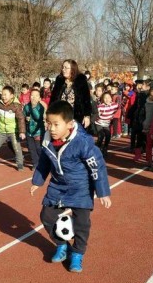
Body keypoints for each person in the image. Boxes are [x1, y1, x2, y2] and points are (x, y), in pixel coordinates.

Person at [30, 100, 111, 273]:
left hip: (80, 187)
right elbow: (44, 162)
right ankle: (62, 244)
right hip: (57, 186)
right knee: (46, 216)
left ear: (69, 124)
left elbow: (97, 166)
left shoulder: (82, 142)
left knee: (82, 223)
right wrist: (37, 182)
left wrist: (102, 191)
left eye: (55, 124)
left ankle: (77, 253)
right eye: (48, 123)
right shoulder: (47, 140)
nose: (51, 128)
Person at [0, 85, 26, 171]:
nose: (3, 96)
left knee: (16, 147)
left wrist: (22, 132)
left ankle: (20, 163)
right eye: (2, 94)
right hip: (2, 130)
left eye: (5, 94)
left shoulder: (16, 106)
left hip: (13, 130)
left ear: (11, 95)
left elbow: (21, 118)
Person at [49, 59, 92, 129]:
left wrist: (87, 116)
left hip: (76, 118)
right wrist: (50, 114)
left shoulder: (81, 80)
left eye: (66, 68)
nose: (63, 69)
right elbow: (53, 99)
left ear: (73, 69)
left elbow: (86, 99)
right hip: (60, 117)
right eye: (63, 67)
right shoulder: (59, 80)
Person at [23, 89, 45, 170]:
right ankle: (35, 163)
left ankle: (43, 162)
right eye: (32, 95)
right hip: (29, 132)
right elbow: (23, 116)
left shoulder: (40, 107)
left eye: (36, 95)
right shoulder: (26, 106)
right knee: (31, 149)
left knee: (39, 148)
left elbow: (38, 117)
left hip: (38, 131)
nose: (34, 97)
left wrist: (33, 107)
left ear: (39, 98)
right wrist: (26, 118)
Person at [95, 92, 119, 158]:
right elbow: (95, 113)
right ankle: (98, 148)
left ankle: (105, 148)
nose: (107, 99)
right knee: (101, 135)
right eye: (105, 98)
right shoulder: (100, 106)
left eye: (108, 97)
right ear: (102, 99)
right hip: (99, 123)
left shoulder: (115, 105)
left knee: (108, 135)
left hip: (106, 124)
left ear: (111, 98)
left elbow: (120, 106)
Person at [141, 86, 153, 166]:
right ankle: (149, 160)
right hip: (148, 126)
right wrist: (143, 122)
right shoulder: (146, 103)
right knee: (149, 144)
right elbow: (142, 114)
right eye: (152, 91)